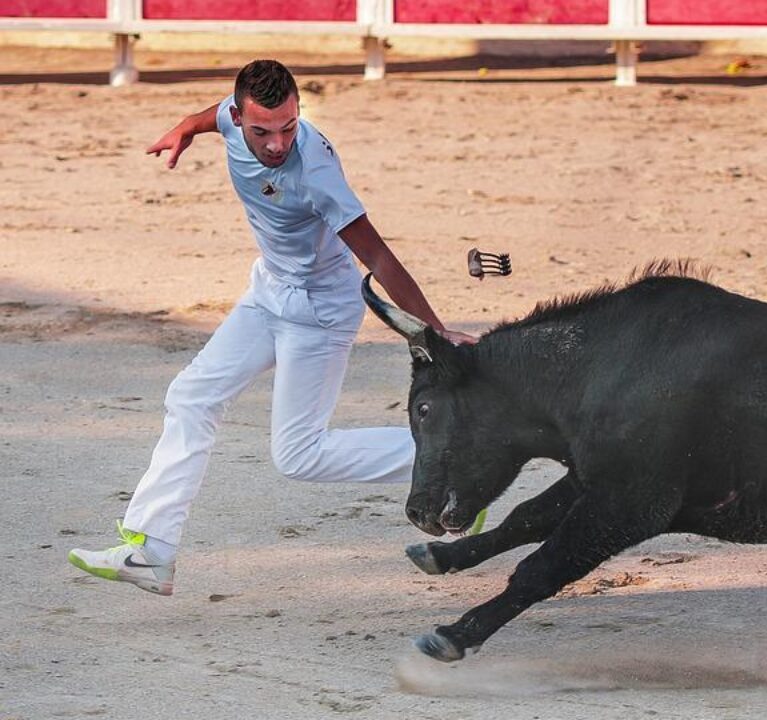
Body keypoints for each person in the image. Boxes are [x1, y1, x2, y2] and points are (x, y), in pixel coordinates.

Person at [68, 59, 474, 595]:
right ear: (241, 117)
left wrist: (434, 331)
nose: (278, 143)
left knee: (299, 456)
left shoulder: (315, 172)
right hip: (268, 292)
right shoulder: (233, 120)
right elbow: (210, 116)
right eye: (263, 131)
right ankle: (151, 550)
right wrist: (184, 130)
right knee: (191, 397)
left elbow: (378, 257)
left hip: (320, 310)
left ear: (299, 113)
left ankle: (458, 462)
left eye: (289, 127)